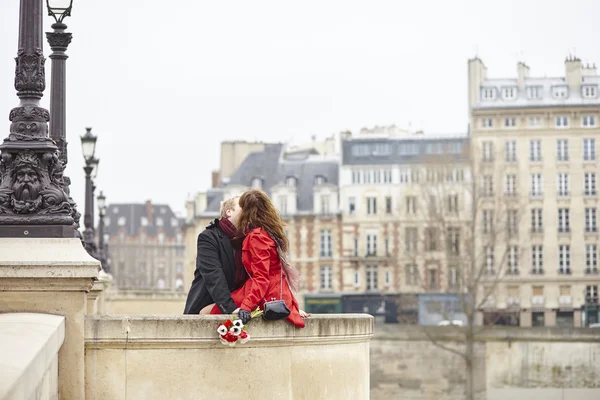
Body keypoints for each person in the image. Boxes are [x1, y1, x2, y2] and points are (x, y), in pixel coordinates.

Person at [210, 189, 310, 328]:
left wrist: (246, 307)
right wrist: (292, 304)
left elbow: (262, 277)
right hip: (275, 292)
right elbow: (279, 272)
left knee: (213, 312)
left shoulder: (257, 236)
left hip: (266, 294)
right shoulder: (270, 232)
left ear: (246, 210)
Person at [183, 197, 246, 315]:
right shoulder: (208, 237)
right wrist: (230, 308)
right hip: (206, 308)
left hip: (238, 309)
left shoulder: (248, 240)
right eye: (243, 205)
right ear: (229, 211)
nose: (247, 209)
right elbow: (214, 275)